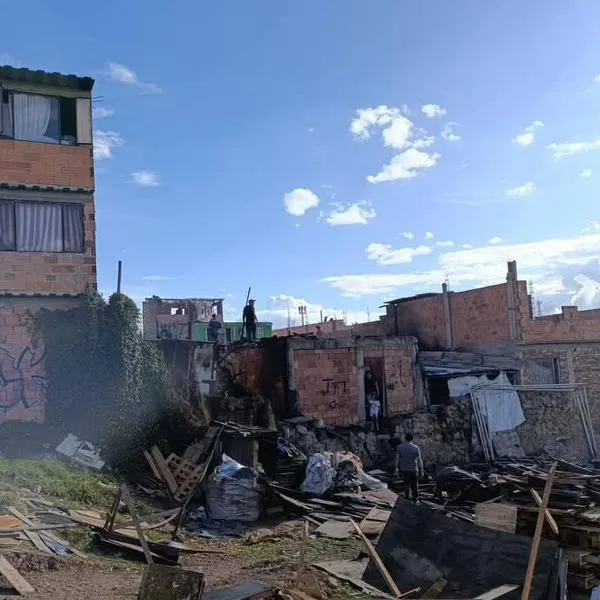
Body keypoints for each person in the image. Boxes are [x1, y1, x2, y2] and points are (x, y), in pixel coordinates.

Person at [394, 433, 424, 503]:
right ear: (412, 439)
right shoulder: (416, 448)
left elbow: (397, 459)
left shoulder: (399, 447)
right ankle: (415, 500)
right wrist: (422, 471)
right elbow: (420, 461)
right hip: (414, 470)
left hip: (404, 469)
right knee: (415, 485)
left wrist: (396, 469)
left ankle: (407, 498)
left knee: (406, 484)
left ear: (405, 438)